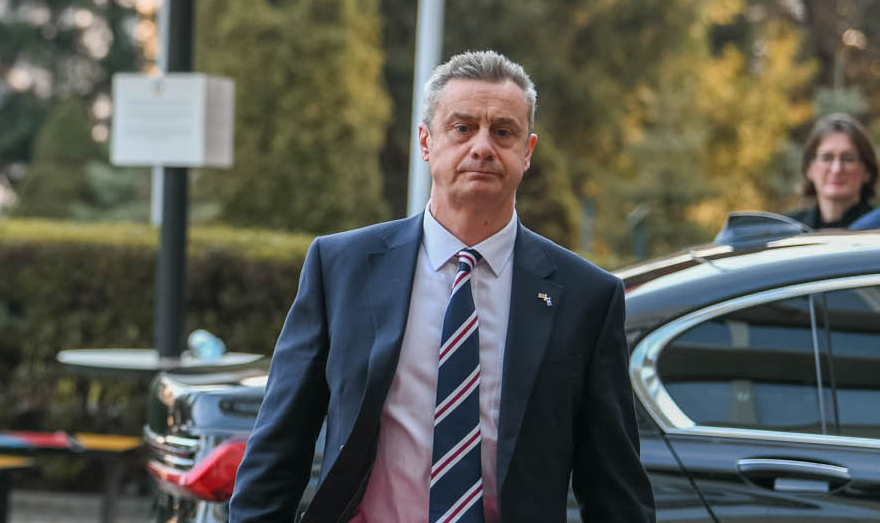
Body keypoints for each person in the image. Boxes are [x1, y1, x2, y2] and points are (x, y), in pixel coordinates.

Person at [229, 50, 655, 523]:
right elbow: (278, 446)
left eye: (503, 132)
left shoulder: (586, 297)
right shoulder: (341, 268)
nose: (482, 147)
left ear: (527, 152)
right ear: (426, 141)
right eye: (462, 127)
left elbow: (615, 490)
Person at [784, 112, 880, 229]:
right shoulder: (787, 230)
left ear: (867, 171)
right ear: (809, 167)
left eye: (849, 159)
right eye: (827, 158)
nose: (837, 169)